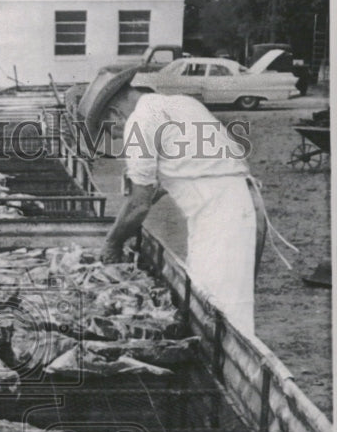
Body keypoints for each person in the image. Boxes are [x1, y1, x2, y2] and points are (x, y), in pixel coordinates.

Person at [98, 80, 268, 336]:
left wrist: (113, 241)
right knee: (216, 307)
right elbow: (186, 172)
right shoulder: (183, 104)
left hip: (222, 219)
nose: (119, 138)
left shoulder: (140, 121)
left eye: (114, 132)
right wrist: (133, 209)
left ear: (114, 114)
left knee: (220, 315)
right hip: (240, 205)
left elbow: (139, 203)